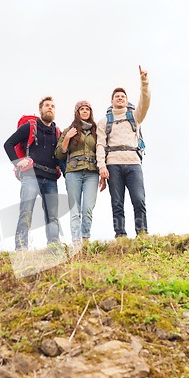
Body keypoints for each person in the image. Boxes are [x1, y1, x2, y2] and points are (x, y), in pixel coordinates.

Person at [96, 66, 151, 238]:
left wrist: (144, 81)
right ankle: (120, 236)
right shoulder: (104, 121)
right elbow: (100, 145)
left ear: (127, 100)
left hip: (133, 163)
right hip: (113, 165)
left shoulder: (135, 116)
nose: (120, 98)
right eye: (117, 96)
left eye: (123, 96)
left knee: (138, 200)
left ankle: (142, 234)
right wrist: (101, 167)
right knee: (117, 203)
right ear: (112, 101)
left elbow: (145, 101)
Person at [4, 96, 61, 250]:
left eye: (53, 106)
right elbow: (8, 144)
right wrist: (17, 162)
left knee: (53, 216)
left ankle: (54, 247)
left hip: (50, 179)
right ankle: (21, 248)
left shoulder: (57, 132)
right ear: (40, 110)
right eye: (47, 105)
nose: (50, 108)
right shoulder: (29, 127)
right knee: (26, 213)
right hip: (31, 176)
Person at [55, 100, 104, 247]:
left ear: (90, 112)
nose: (84, 111)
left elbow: (102, 152)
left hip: (92, 173)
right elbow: (59, 154)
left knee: (88, 208)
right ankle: (76, 242)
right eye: (81, 109)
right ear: (77, 112)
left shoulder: (96, 131)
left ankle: (85, 240)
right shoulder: (69, 130)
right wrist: (68, 137)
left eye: (87, 109)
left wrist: (103, 173)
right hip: (73, 173)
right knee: (75, 210)